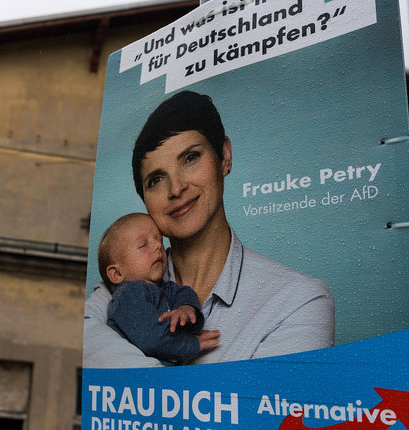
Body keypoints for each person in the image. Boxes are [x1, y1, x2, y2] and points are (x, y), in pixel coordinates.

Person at [84, 91, 334, 368]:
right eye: (156, 179)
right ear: (144, 198)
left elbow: (265, 409)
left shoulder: (301, 302)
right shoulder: (126, 278)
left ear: (224, 156)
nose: (176, 188)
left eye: (190, 158)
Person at [98, 212, 220, 365]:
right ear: (116, 274)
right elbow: (151, 338)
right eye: (143, 245)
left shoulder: (164, 287)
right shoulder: (128, 295)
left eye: (160, 241)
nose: (158, 246)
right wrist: (190, 344)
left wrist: (187, 308)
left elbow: (184, 292)